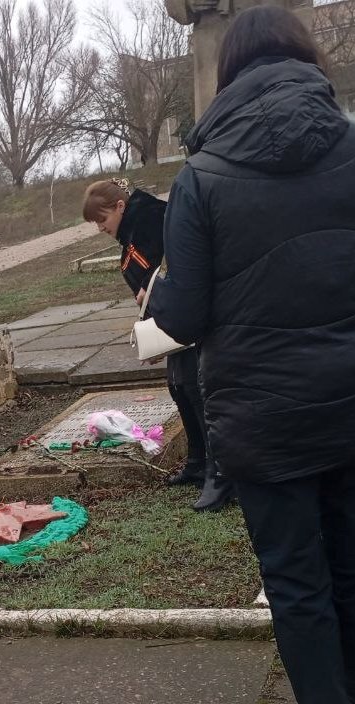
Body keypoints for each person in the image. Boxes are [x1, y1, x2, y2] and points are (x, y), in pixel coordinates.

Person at [148, 5, 355, 704]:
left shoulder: (200, 179)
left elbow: (186, 315)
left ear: (229, 74)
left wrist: (163, 292)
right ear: (305, 59)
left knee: (298, 579)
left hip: (265, 419)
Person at [81, 179, 233, 512]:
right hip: (171, 318)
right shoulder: (135, 226)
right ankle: (196, 462)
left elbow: (173, 267)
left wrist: (161, 299)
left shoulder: (153, 219)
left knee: (196, 389)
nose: (100, 228)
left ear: (120, 207)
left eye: (102, 219)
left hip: (188, 315)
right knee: (178, 386)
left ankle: (219, 473)